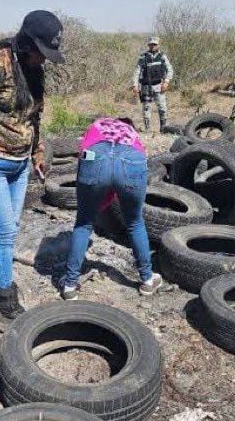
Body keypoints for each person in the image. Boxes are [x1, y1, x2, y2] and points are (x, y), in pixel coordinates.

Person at [0, 10, 65, 330]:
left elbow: (34, 117)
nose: (43, 59)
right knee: (4, 232)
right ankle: (6, 306)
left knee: (10, 229)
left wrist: (38, 152)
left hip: (19, 166)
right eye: (41, 52)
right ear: (26, 43)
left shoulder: (35, 70)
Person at [59, 116, 163, 300]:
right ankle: (147, 279)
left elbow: (83, 157)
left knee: (83, 224)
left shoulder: (96, 126)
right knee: (135, 223)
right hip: (133, 159)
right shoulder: (132, 134)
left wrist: (95, 206)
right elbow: (131, 166)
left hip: (95, 157)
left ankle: (70, 285)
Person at [132, 36, 173, 132]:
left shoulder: (162, 56)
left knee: (162, 108)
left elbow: (170, 70)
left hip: (159, 85)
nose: (153, 46)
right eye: (151, 44)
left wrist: (166, 82)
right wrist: (135, 85)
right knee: (146, 108)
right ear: (148, 45)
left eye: (154, 44)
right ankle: (148, 130)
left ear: (158, 45)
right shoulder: (143, 56)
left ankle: (163, 129)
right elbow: (137, 71)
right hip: (146, 86)